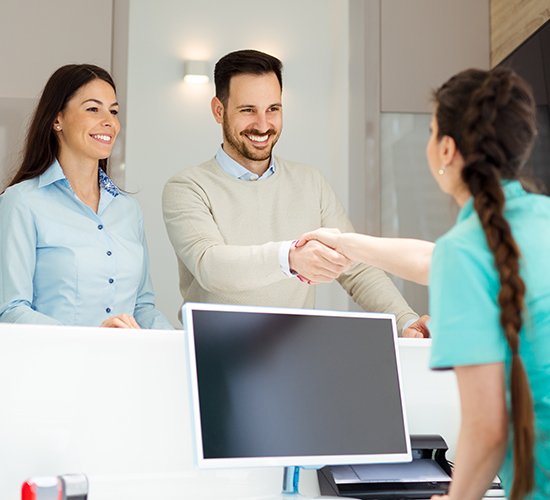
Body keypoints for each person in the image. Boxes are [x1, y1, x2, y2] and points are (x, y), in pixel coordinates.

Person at [300, 67, 550, 499]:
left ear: (447, 150)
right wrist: (345, 243)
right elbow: (432, 259)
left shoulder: (467, 250)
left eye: (432, 131)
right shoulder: (535, 222)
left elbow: (487, 428)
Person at [162, 49, 428, 337]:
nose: (263, 125)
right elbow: (210, 266)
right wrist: (289, 257)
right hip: (213, 353)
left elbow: (356, 268)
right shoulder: (188, 187)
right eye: (248, 110)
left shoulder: (310, 182)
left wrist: (405, 320)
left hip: (293, 353)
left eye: (273, 109)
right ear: (218, 110)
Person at [0, 64, 173, 329]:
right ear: (57, 119)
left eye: (113, 111)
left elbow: (142, 307)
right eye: (93, 109)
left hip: (124, 366)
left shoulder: (128, 210)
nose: (110, 121)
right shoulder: (21, 202)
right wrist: (90, 340)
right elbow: (11, 309)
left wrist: (178, 343)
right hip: (53, 366)